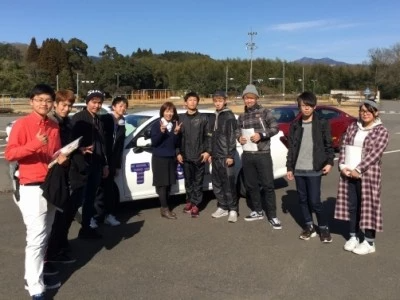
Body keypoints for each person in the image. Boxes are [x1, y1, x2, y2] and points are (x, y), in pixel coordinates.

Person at [5, 84, 67, 300]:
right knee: (36, 236)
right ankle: (35, 287)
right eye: (39, 99)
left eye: (48, 100)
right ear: (31, 101)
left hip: (51, 184)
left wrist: (61, 157)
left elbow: (53, 154)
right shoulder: (22, 125)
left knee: (46, 233)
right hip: (31, 187)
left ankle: (35, 274)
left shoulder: (53, 126)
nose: (44, 104)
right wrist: (34, 144)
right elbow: (11, 154)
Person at [335, 99, 389, 255]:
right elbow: (343, 146)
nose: (365, 114)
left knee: (369, 207)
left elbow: (375, 154)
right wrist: (342, 166)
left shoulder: (381, 131)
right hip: (349, 173)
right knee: (353, 206)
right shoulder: (353, 127)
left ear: (375, 113)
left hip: (368, 176)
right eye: (362, 111)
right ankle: (353, 236)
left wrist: (359, 169)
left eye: (368, 111)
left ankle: (369, 242)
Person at [286, 91, 334, 243]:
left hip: (314, 168)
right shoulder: (295, 125)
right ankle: (309, 226)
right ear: (299, 106)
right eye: (303, 106)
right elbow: (291, 148)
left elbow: (329, 146)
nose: (305, 108)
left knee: (315, 201)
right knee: (302, 200)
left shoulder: (321, 123)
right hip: (299, 169)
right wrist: (289, 167)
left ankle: (324, 228)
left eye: (309, 106)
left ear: (314, 106)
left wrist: (329, 162)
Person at [237, 84, 282, 229]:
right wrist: (239, 139)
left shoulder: (265, 112)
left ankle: (273, 216)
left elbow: (275, 128)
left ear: (256, 98)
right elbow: (237, 131)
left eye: (251, 98)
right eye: (246, 98)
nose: (248, 100)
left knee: (268, 185)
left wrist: (261, 135)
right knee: (251, 185)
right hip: (247, 154)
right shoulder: (242, 116)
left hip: (262, 154)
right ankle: (257, 211)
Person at [45, 89, 77, 270]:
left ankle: (59, 247)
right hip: (50, 175)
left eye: (69, 105)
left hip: (64, 171)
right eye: (63, 104)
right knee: (51, 218)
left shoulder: (67, 122)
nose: (67, 108)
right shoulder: (51, 123)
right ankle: (49, 255)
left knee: (63, 215)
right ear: (55, 104)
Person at [71, 89, 109, 239]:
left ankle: (86, 228)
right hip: (82, 166)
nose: (97, 105)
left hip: (96, 165)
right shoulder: (79, 118)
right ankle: (61, 238)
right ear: (87, 102)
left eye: (99, 103)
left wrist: (105, 164)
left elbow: (103, 145)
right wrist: (79, 150)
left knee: (90, 199)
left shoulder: (98, 119)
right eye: (94, 102)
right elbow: (71, 142)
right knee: (77, 200)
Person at [92, 96, 128, 227]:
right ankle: (94, 217)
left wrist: (117, 165)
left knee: (109, 190)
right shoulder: (106, 119)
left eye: (125, 106)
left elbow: (120, 145)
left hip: (112, 161)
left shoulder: (122, 122)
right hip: (101, 158)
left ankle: (109, 215)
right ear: (113, 107)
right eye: (120, 105)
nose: (123, 108)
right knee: (97, 190)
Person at [177, 91, 211, 217]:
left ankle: (196, 204)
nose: (192, 102)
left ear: (197, 102)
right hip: (185, 156)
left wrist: (208, 152)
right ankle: (189, 201)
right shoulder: (180, 118)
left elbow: (209, 136)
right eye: (190, 100)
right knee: (188, 181)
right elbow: (177, 138)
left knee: (198, 181)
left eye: (194, 100)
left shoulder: (203, 118)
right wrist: (178, 153)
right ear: (185, 103)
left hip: (199, 156)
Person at [209, 91, 239, 223]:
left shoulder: (229, 116)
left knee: (228, 184)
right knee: (217, 183)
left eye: (220, 100)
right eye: (216, 101)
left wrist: (230, 155)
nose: (218, 103)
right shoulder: (214, 115)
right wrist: (210, 153)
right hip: (215, 156)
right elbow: (211, 136)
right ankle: (222, 206)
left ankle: (233, 209)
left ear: (225, 101)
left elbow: (231, 137)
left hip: (225, 155)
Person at [151, 102, 182, 219]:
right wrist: (161, 132)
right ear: (162, 112)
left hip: (170, 158)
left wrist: (175, 133)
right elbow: (155, 142)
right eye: (167, 111)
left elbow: (174, 143)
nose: (169, 113)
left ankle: (165, 206)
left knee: (168, 183)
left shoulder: (174, 125)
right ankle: (164, 209)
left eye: (171, 111)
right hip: (160, 158)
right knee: (162, 185)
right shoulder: (157, 124)